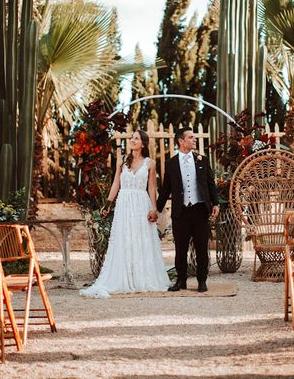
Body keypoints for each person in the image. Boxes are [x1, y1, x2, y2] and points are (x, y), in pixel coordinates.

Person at [79, 130, 170, 298]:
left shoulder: (149, 163)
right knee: (125, 238)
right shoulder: (122, 161)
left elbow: (152, 188)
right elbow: (116, 184)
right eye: (131, 138)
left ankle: (141, 278)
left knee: (141, 239)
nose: (132, 140)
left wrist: (154, 208)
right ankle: (124, 277)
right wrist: (107, 204)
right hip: (124, 204)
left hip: (141, 203)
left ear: (143, 143)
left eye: (136, 138)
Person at [157, 127, 219, 293]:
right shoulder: (171, 164)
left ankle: (202, 280)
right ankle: (181, 281)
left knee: (201, 248)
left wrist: (216, 204)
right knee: (181, 249)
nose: (194, 140)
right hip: (180, 212)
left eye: (194, 137)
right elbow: (165, 189)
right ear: (181, 141)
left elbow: (211, 184)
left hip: (200, 210)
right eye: (191, 137)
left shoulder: (202, 160)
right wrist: (157, 209)